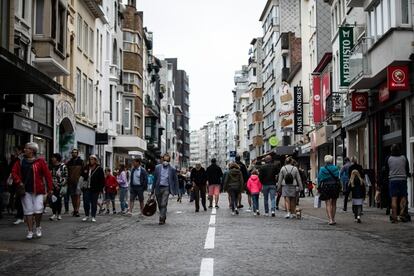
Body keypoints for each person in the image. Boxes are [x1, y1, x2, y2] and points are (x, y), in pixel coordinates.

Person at [11, 142, 53, 239]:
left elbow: (47, 175)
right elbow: (14, 172)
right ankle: (30, 231)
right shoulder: (20, 161)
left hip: (38, 190)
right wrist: (18, 181)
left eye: (27, 148)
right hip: (25, 190)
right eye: (25, 148)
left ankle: (38, 226)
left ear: (32, 150)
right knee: (28, 211)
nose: (24, 150)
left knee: (38, 209)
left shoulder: (40, 161)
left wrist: (50, 188)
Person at [384, 144, 410, 223]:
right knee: (403, 196)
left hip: (393, 180)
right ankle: (402, 214)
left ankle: (394, 217)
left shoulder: (388, 158)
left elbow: (386, 170)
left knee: (394, 198)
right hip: (402, 179)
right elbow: (407, 169)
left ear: (391, 150)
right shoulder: (404, 158)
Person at [152, 153, 178, 225]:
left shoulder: (172, 169)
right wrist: (152, 190)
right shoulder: (157, 167)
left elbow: (175, 180)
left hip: (166, 188)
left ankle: (161, 218)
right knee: (160, 204)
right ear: (162, 159)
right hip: (158, 188)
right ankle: (163, 215)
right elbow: (155, 179)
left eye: (167, 160)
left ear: (169, 161)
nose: (165, 161)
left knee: (164, 203)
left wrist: (176, 191)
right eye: (164, 159)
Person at [317, 155, 341, 225]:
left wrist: (319, 188)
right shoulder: (336, 168)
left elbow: (319, 179)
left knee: (328, 203)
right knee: (334, 203)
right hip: (334, 186)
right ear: (331, 160)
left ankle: (330, 220)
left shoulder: (322, 169)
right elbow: (337, 177)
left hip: (326, 186)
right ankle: (333, 219)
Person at [81, 155, 105, 222]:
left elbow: (102, 180)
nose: (91, 160)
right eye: (90, 159)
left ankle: (93, 216)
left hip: (95, 189)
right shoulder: (86, 167)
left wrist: (100, 189)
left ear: (95, 160)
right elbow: (82, 176)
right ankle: (86, 215)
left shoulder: (99, 169)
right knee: (86, 202)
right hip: (86, 188)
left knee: (94, 203)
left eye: (92, 159)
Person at [49, 153, 68, 221]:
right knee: (53, 200)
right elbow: (49, 176)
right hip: (53, 186)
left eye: (53, 157)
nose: (52, 159)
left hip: (60, 186)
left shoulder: (63, 166)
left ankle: (59, 214)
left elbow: (65, 177)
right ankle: (54, 213)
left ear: (57, 159)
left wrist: (60, 185)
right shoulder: (51, 166)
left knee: (59, 200)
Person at [8, 146, 25, 225]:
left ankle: (21, 216)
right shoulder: (18, 159)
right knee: (19, 199)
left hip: (21, 183)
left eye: (16, 151)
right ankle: (20, 216)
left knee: (20, 199)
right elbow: (13, 170)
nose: (15, 152)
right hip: (19, 182)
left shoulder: (21, 159)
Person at [66, 149, 84, 217]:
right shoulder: (69, 162)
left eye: (75, 152)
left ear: (77, 153)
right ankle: (74, 210)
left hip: (78, 181)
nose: (74, 154)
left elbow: (83, 172)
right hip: (71, 181)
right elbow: (67, 172)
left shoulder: (81, 162)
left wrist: (82, 180)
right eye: (73, 152)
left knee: (78, 195)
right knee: (73, 196)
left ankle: (77, 210)